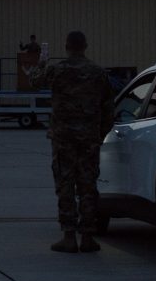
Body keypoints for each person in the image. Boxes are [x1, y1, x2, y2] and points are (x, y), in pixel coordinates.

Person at [29, 31, 115, 253]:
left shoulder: (57, 71)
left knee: (65, 185)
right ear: (85, 46)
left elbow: (33, 83)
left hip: (63, 139)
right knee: (88, 185)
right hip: (89, 139)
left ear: (66, 46)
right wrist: (99, 133)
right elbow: (108, 109)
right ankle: (87, 237)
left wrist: (41, 63)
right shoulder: (98, 73)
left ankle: (68, 236)